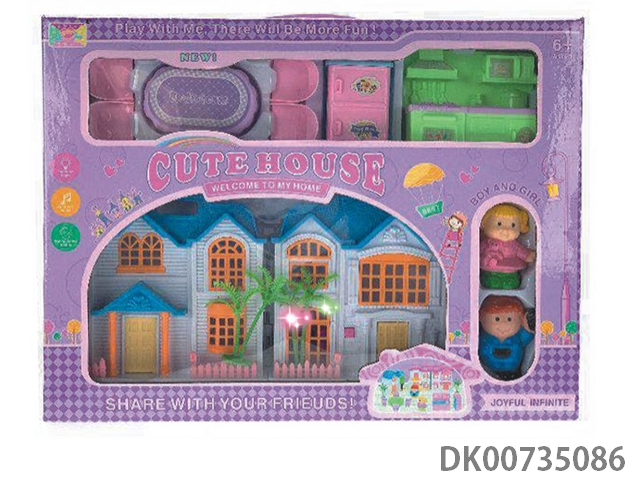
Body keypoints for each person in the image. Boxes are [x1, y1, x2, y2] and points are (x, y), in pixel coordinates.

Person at [478, 295, 534, 381]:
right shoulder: (483, 338)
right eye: (497, 319)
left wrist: (529, 325)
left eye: (509, 319)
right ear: (481, 317)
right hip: (486, 371)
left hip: (514, 372)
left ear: (521, 320)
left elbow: (527, 335)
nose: (503, 325)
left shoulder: (518, 337)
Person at [480, 204, 535, 289]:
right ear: (485, 224)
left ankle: (510, 280)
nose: (506, 229)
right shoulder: (486, 243)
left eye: (513, 225)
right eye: (499, 224)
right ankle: (492, 279)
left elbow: (521, 251)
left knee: (511, 283)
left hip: (511, 269)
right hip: (490, 270)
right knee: (491, 281)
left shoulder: (514, 245)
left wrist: (528, 256)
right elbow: (478, 250)